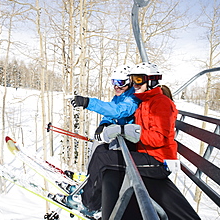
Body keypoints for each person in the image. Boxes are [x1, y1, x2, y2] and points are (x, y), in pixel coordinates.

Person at [80, 62, 200, 220]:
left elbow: (159, 138)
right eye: (132, 79)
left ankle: (90, 205)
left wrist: (128, 131)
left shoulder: (161, 103)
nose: (134, 84)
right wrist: (110, 125)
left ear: (151, 81)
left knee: (103, 157)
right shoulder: (144, 101)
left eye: (138, 79)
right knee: (102, 151)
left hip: (158, 161)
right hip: (145, 154)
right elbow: (120, 112)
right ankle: (92, 197)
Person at [71, 65, 141, 141]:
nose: (116, 86)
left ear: (129, 82)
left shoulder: (133, 97)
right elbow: (111, 113)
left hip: (133, 138)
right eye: (114, 82)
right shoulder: (119, 96)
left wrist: (88, 102)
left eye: (120, 82)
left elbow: (118, 111)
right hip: (122, 135)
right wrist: (105, 123)